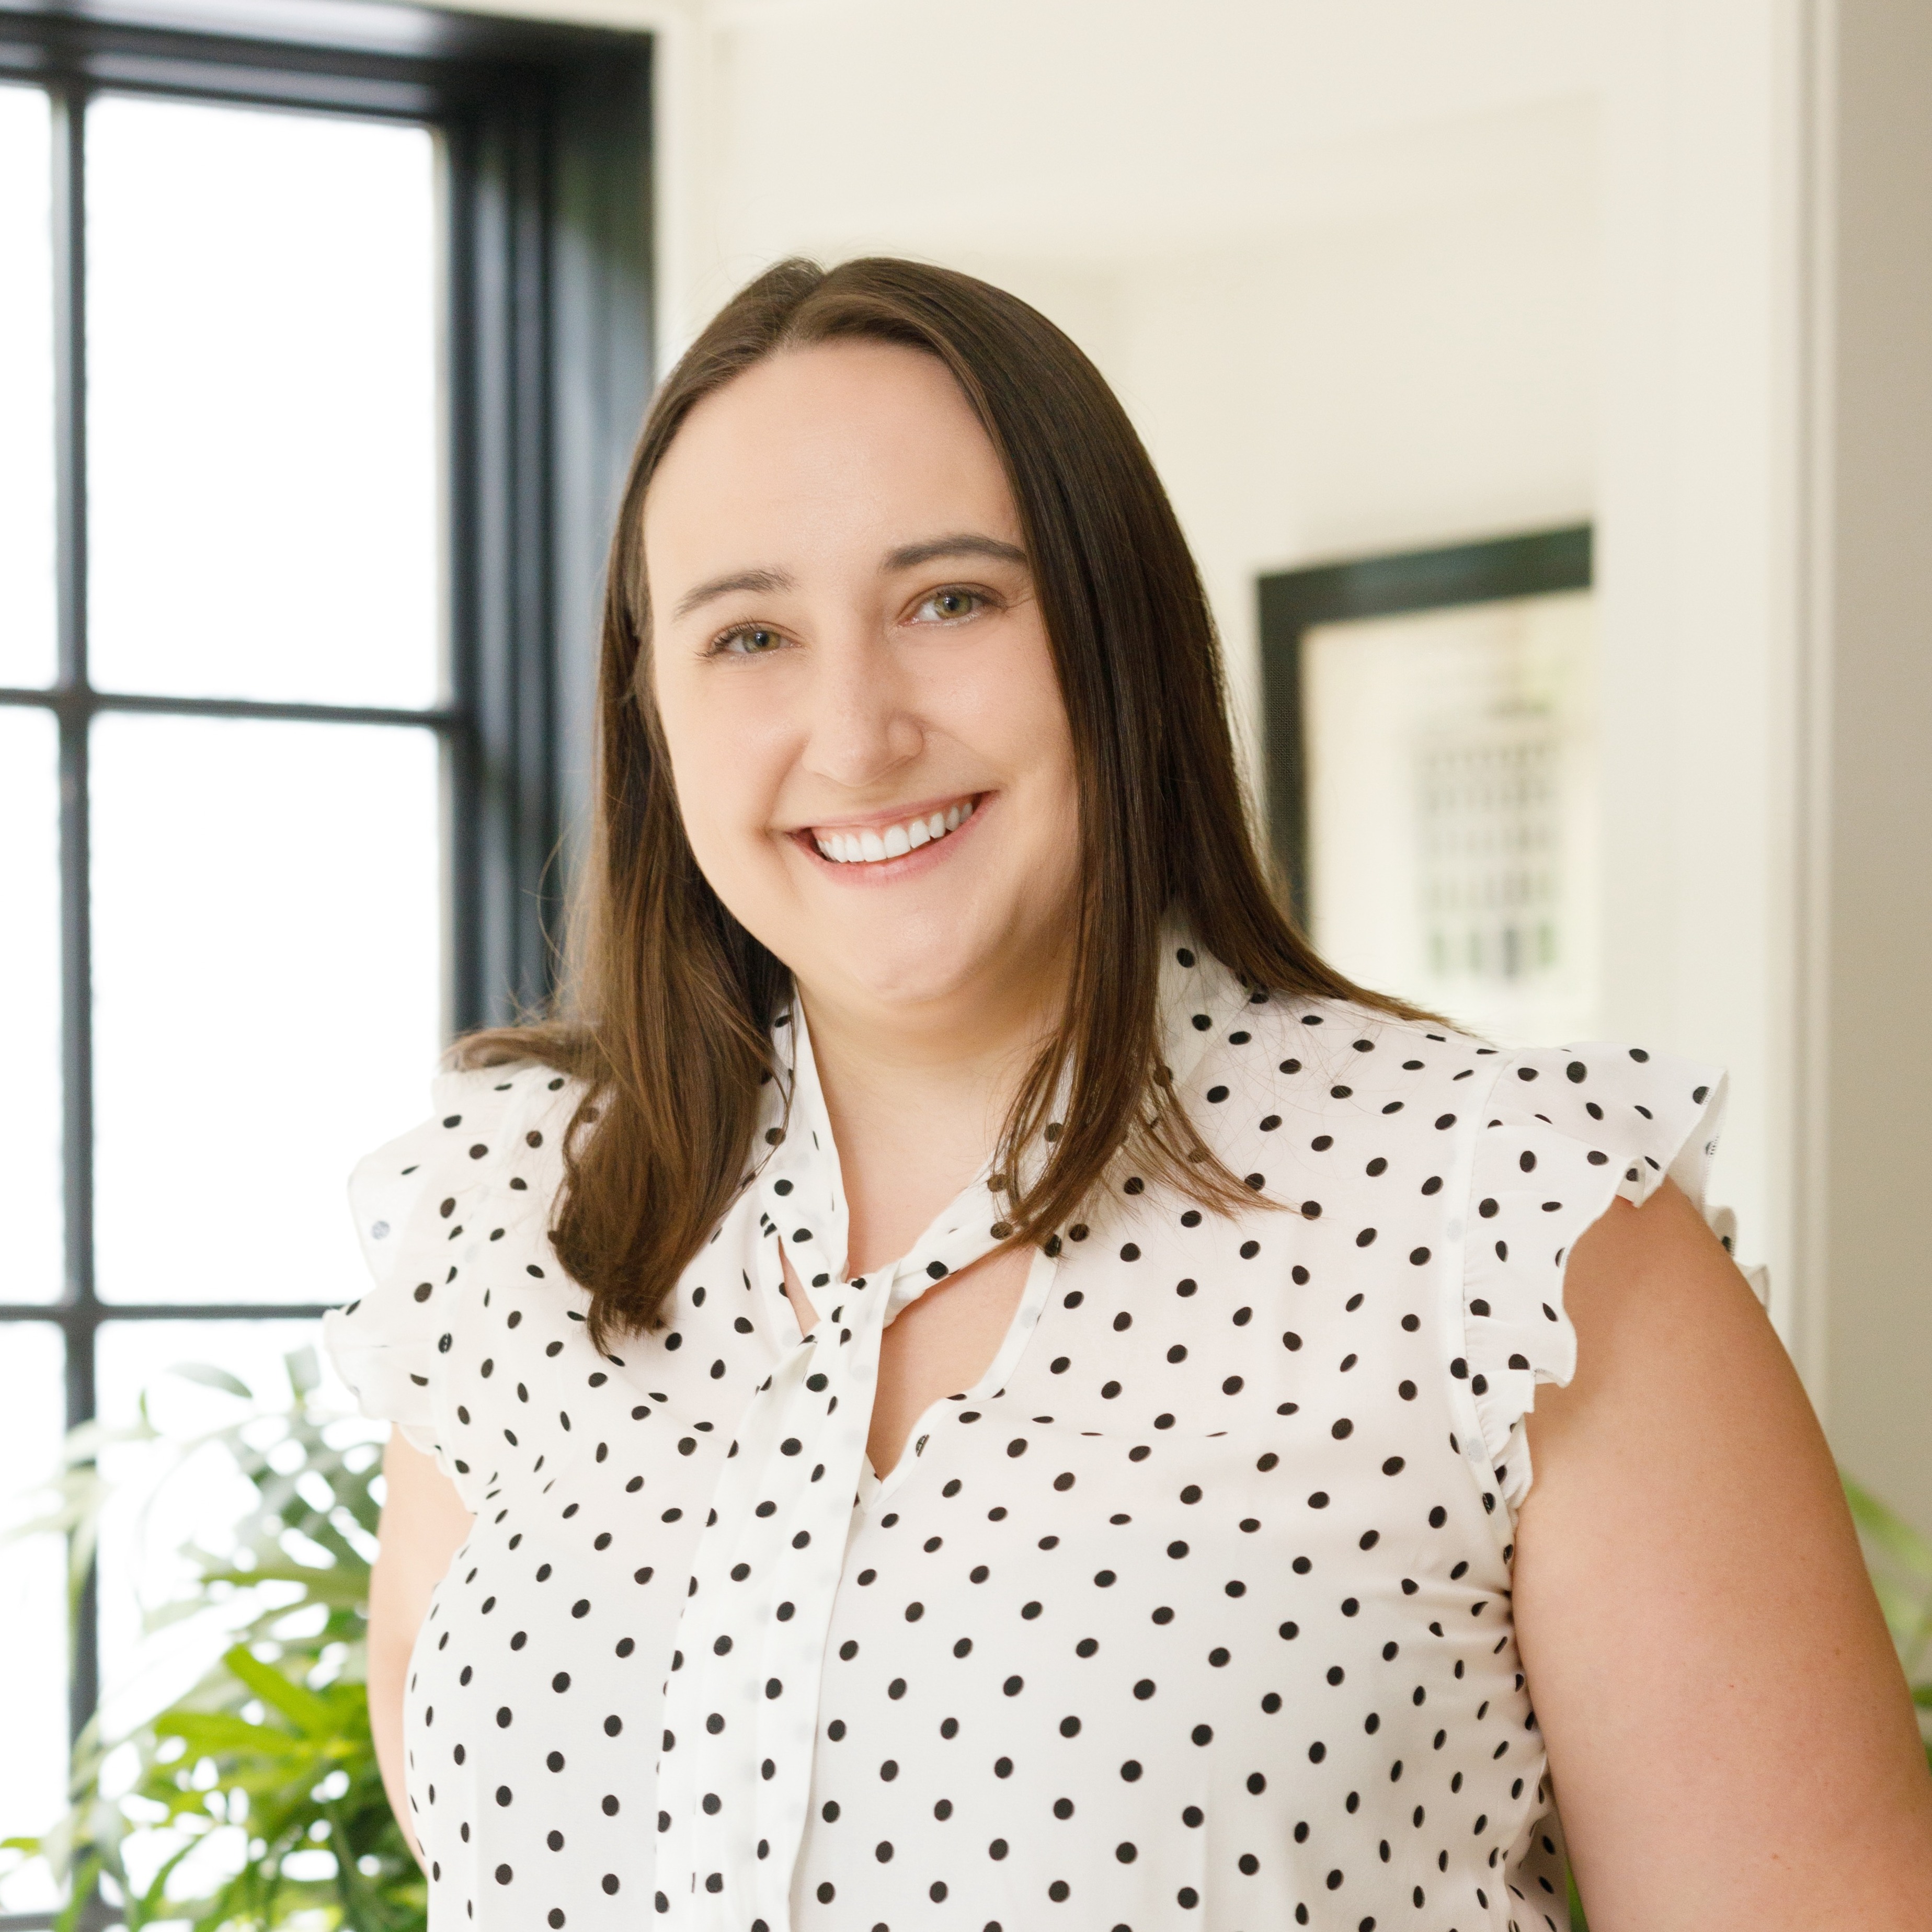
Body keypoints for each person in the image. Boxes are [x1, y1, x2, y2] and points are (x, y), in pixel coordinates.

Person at [325, 257, 1932, 1932]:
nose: (857, 731)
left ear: (1120, 638)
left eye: (953, 600)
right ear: (651, 717)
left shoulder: (1512, 1229)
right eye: (750, 636)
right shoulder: (513, 1229)